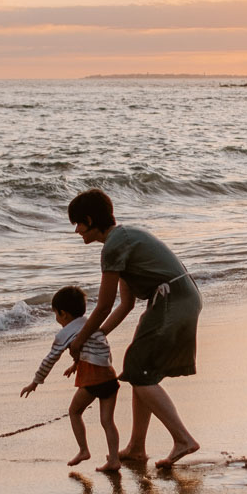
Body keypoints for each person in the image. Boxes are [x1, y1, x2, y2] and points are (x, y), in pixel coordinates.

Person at [65, 189, 201, 468]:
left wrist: (80, 340)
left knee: (139, 370)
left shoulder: (113, 245)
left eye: (77, 224)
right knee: (139, 371)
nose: (76, 231)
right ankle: (137, 447)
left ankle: (183, 439)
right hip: (177, 298)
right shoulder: (122, 239)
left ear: (90, 220)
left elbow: (103, 305)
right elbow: (125, 304)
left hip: (172, 299)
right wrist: (99, 336)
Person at [20, 285, 122, 472]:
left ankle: (83, 450)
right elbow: (95, 349)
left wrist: (35, 382)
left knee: (74, 412)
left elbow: (50, 359)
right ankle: (114, 459)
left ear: (64, 314)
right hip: (109, 376)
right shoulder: (91, 324)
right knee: (107, 421)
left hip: (93, 379)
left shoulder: (65, 333)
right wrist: (76, 364)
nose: (57, 319)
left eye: (56, 315)